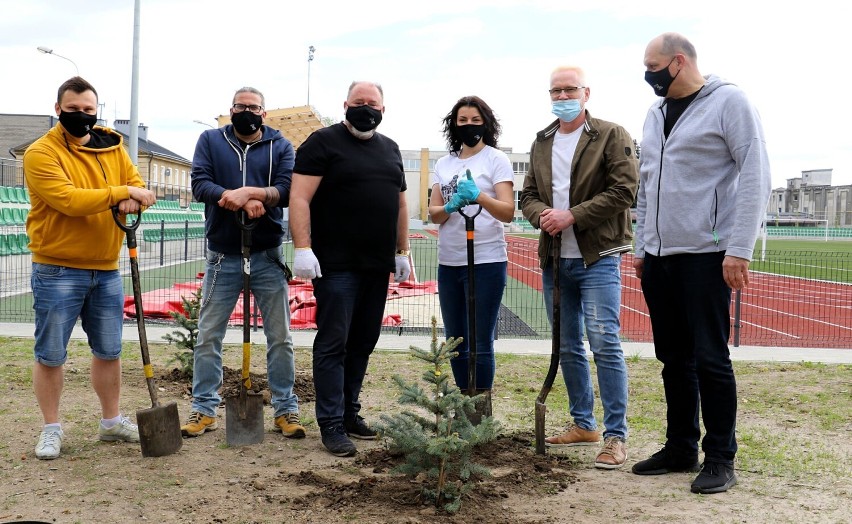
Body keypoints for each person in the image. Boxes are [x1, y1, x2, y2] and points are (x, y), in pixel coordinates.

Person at [631, 33, 772, 494]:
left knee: (710, 357)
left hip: (707, 256)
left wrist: (739, 248)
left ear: (678, 61)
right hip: (659, 257)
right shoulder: (654, 113)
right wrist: (641, 246)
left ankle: (720, 457)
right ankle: (680, 446)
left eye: (652, 66)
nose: (647, 75)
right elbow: (646, 183)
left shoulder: (729, 102)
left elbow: (754, 173)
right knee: (673, 357)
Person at [23, 76, 156, 459]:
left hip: (106, 268)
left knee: (110, 350)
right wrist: (121, 194)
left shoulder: (113, 145)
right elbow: (68, 200)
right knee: (51, 353)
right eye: (73, 109)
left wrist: (134, 197)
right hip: (57, 269)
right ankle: (51, 428)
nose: (81, 116)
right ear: (58, 109)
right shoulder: (41, 153)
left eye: (88, 110)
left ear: (96, 111)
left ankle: (111, 423)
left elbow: (137, 184)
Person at [520, 66, 638, 470]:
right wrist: (544, 217)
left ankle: (615, 436)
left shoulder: (610, 134)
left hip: (598, 256)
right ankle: (583, 423)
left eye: (569, 89)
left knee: (604, 342)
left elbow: (625, 190)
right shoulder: (542, 141)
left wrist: (572, 216)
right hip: (555, 259)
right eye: (555, 90)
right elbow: (529, 196)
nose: (562, 95)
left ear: (586, 92)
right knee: (567, 345)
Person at [289, 81, 410, 457]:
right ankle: (330, 423)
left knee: (363, 342)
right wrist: (303, 247)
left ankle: (348, 412)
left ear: (384, 109)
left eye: (372, 103)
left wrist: (402, 250)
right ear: (345, 105)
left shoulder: (390, 149)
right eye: (358, 102)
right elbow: (299, 196)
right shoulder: (322, 142)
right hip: (336, 264)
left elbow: (401, 204)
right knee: (334, 342)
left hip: (377, 265)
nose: (365, 108)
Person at [183, 87, 305, 440]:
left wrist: (254, 194)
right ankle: (203, 408)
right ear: (231, 109)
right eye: (241, 106)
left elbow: (285, 188)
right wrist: (231, 197)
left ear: (264, 113)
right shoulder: (210, 140)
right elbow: (200, 184)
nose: (246, 112)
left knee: (280, 337)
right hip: (222, 255)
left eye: (253, 107)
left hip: (267, 254)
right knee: (208, 335)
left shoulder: (280, 146)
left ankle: (286, 408)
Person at [427, 96, 514, 414]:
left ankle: (481, 410)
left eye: (475, 120)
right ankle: (464, 404)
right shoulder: (444, 163)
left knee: (479, 340)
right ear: (453, 125)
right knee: (456, 339)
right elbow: (434, 213)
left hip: (486, 260)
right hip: (449, 261)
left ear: (486, 123)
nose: (468, 126)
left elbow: (507, 211)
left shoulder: (496, 160)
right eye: (462, 120)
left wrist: (478, 196)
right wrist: (450, 206)